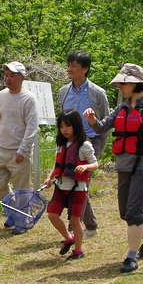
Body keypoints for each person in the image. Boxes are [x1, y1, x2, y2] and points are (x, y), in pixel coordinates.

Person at [87, 64, 143, 274]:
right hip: (124, 167)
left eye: (123, 83)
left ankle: (130, 257)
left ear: (135, 83)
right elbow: (102, 128)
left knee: (135, 211)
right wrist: (92, 120)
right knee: (126, 213)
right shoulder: (121, 108)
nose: (120, 87)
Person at [57, 50, 111, 237]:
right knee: (73, 184)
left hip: (90, 142)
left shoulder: (97, 92)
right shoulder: (64, 91)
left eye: (74, 65)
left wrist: (99, 148)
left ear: (85, 69)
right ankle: (84, 226)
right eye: (69, 65)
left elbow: (105, 122)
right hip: (69, 143)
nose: (70, 69)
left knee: (80, 184)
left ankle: (82, 227)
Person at [43, 111, 98, 260]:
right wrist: (49, 177)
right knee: (52, 214)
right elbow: (58, 164)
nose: (64, 130)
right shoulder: (61, 144)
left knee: (74, 221)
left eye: (67, 126)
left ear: (76, 126)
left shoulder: (84, 145)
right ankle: (68, 238)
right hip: (61, 187)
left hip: (77, 188)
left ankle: (78, 250)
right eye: (61, 127)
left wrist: (86, 167)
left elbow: (95, 164)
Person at [0, 62, 39, 206]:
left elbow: (32, 126)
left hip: (19, 152)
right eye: (6, 75)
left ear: (22, 78)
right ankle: (14, 210)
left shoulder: (28, 98)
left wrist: (23, 149)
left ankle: (21, 220)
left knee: (21, 190)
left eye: (12, 76)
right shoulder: (2, 95)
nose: (8, 79)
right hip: (1, 149)